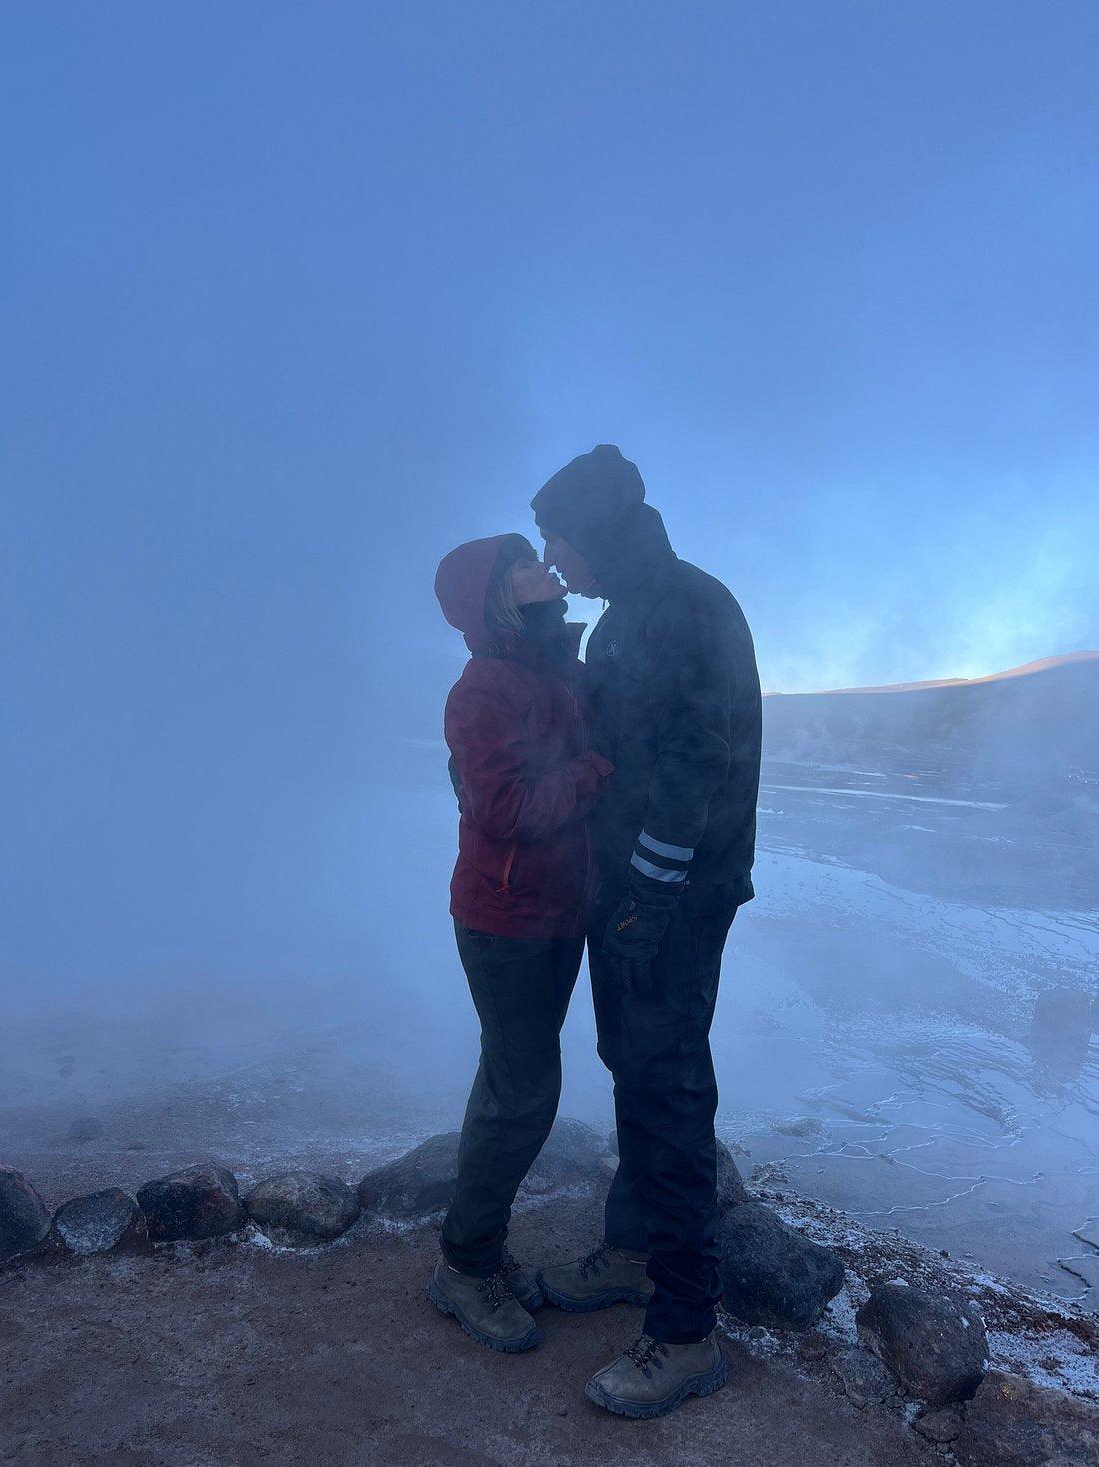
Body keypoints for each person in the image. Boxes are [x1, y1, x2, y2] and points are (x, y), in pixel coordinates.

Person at [531, 445, 762, 1419]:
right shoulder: (626, 616)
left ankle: (686, 1331)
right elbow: (605, 743)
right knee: (632, 1065)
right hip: (629, 888)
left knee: (668, 1087)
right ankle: (632, 1251)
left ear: (597, 531)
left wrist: (650, 895)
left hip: (674, 896)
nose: (552, 557)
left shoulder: (687, 609)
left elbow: (695, 764)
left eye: (558, 537)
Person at [429, 533, 613, 1353]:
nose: (546, 565)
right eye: (525, 563)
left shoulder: (551, 668)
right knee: (522, 1092)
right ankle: (465, 1266)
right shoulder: (484, 688)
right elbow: (507, 811)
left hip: (552, 912)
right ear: (499, 593)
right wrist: (600, 768)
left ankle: (476, 1250)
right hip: (506, 921)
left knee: (513, 1081)